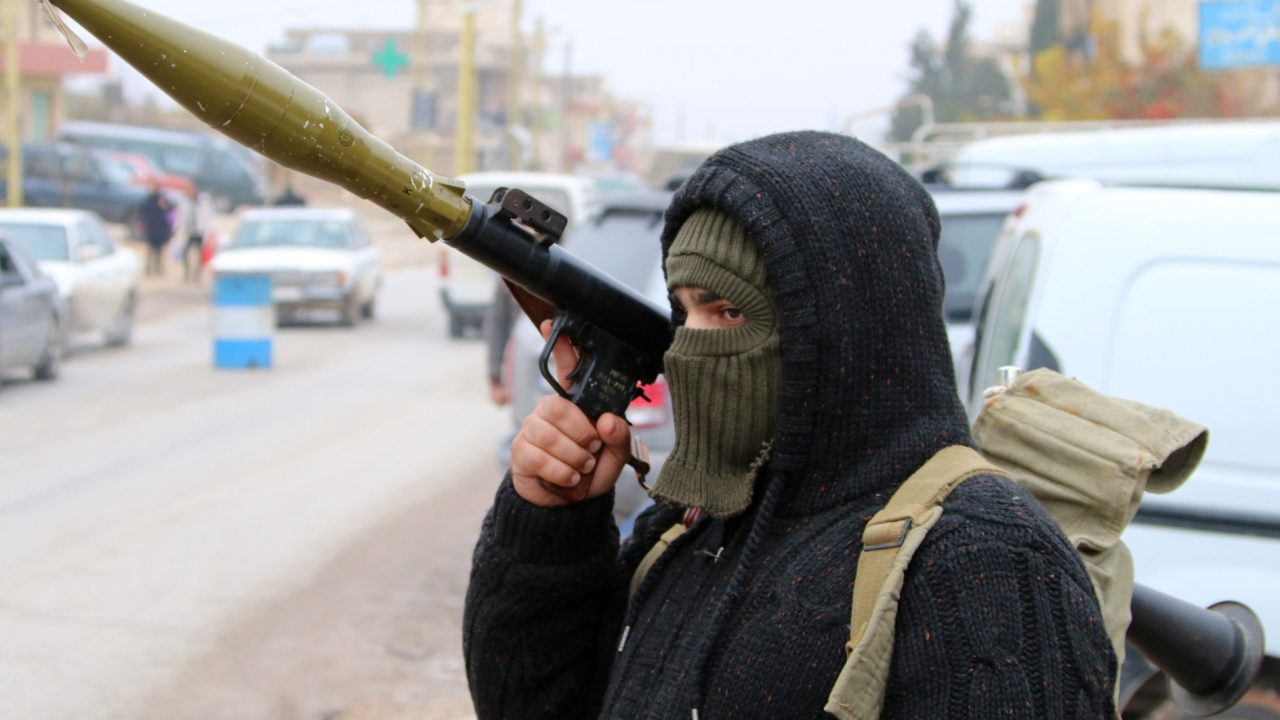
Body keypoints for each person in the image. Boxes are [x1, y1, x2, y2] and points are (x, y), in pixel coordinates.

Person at [463, 131, 1116, 718]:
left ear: (841, 329)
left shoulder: (983, 566)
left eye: (727, 312)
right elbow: (529, 703)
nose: (691, 346)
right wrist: (551, 521)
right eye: (685, 312)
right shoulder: (697, 526)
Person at [176, 184, 213, 283]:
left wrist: (209, 230)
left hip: (199, 232)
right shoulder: (185, 202)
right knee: (185, 252)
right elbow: (180, 217)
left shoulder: (203, 202)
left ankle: (197, 274)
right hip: (188, 231)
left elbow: (208, 217)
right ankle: (186, 272)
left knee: (200, 254)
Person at [137, 183, 172, 276]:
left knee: (159, 250)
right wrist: (142, 224)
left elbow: (170, 213)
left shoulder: (163, 200)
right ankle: (148, 268)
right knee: (150, 249)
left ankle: (158, 268)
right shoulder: (149, 200)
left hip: (160, 228)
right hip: (151, 227)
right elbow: (142, 212)